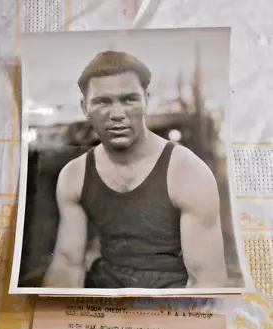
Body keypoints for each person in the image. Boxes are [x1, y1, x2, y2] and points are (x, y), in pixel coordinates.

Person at [43, 50, 229, 289]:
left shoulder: (187, 171)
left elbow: (208, 280)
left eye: (129, 99)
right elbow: (67, 265)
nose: (117, 115)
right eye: (103, 102)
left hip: (169, 304)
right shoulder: (74, 175)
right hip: (105, 298)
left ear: (146, 100)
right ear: (84, 107)